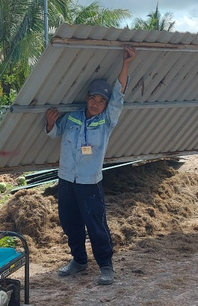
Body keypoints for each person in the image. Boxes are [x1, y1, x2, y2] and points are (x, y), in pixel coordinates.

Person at [45, 46, 136, 286]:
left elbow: (119, 95)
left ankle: (106, 266)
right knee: (69, 222)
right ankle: (79, 260)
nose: (97, 103)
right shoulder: (73, 117)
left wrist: (125, 64)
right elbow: (55, 134)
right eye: (93, 98)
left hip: (89, 183)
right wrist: (50, 123)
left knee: (96, 226)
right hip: (66, 180)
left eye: (102, 101)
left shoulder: (106, 122)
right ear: (87, 98)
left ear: (106, 105)